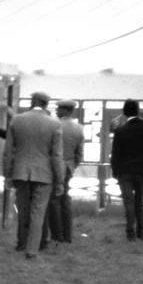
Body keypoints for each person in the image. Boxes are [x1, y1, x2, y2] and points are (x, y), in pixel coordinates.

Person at [3, 91, 63, 259]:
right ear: (46, 104)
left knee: (23, 209)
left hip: (20, 172)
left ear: (33, 101)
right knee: (38, 212)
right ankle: (32, 250)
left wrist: (7, 175)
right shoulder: (55, 123)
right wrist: (59, 181)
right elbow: (57, 155)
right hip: (44, 174)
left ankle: (21, 243)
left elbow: (8, 151)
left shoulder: (16, 120)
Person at [110, 99, 143, 241]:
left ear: (124, 112)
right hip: (140, 170)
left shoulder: (120, 131)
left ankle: (130, 233)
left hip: (124, 171)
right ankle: (141, 232)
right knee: (139, 203)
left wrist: (115, 172)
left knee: (128, 202)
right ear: (138, 110)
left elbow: (115, 153)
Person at [50, 99, 84, 243]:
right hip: (69, 167)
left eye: (59, 109)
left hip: (54, 166)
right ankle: (67, 235)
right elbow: (79, 154)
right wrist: (72, 166)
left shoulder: (55, 125)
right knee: (65, 199)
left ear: (65, 110)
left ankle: (57, 235)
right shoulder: (79, 128)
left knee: (54, 200)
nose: (56, 111)